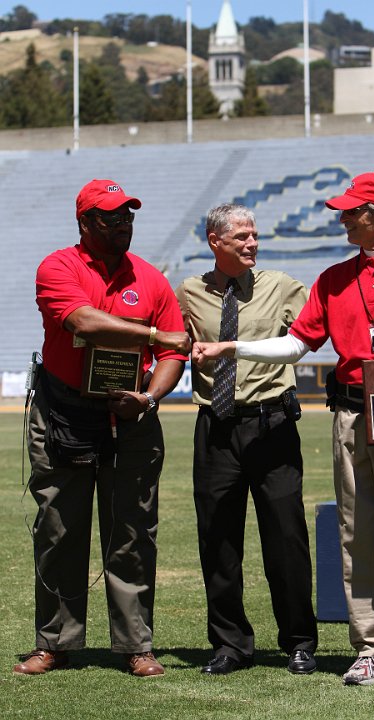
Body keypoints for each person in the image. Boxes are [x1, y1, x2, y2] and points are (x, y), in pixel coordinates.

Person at [192, 173, 374, 688]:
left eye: (352, 212)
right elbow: (297, 345)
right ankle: (369, 647)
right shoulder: (334, 278)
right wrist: (235, 348)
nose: (341, 219)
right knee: (356, 538)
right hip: (349, 417)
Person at [14, 179, 190, 678]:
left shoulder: (151, 279)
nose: (123, 226)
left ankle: (136, 645)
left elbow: (174, 355)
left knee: (133, 531)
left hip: (131, 418)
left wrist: (150, 397)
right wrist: (153, 332)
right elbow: (84, 322)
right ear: (85, 223)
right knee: (58, 530)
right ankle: (54, 642)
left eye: (128, 217)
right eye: (112, 219)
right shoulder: (58, 267)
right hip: (64, 415)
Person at [175, 203, 318, 675]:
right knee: (218, 540)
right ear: (215, 241)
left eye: (254, 235)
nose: (252, 243)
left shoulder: (282, 287)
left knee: (287, 538)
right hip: (215, 429)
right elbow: (172, 346)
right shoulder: (190, 293)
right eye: (242, 237)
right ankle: (230, 645)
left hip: (272, 425)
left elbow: (314, 332)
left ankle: (299, 642)